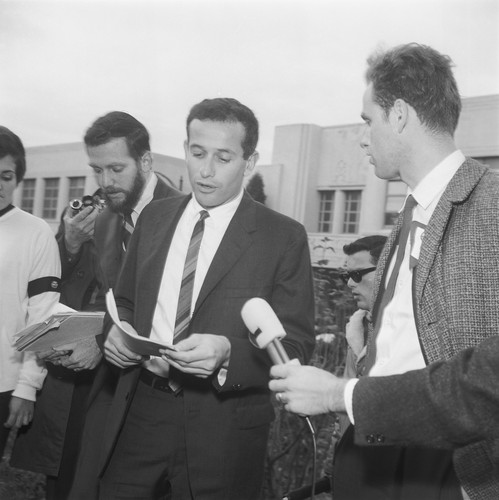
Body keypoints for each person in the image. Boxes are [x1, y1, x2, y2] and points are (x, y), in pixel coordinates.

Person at [270, 43, 499, 499]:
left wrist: (339, 395)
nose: (361, 137)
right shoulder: (410, 213)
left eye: (366, 120)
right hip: (370, 455)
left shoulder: (491, 203)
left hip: (445, 469)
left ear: (398, 115)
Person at [69, 97, 316, 500]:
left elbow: (296, 345)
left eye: (223, 157)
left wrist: (226, 353)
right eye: (198, 153)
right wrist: (116, 333)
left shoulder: (282, 237)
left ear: (249, 163)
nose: (205, 170)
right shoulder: (154, 217)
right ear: (185, 148)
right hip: (139, 413)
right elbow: (125, 302)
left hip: (224, 429)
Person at [10, 111, 181, 500]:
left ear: (147, 162)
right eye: (97, 170)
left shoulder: (184, 215)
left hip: (155, 392)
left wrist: (101, 339)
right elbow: (98, 297)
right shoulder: (105, 219)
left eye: (116, 169)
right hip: (98, 388)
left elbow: (169, 306)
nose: (105, 182)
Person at [0, 126, 61, 459]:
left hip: (2, 379)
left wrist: (27, 385)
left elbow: (43, 316)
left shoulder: (36, 232)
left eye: (6, 175)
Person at [340, 235, 387, 379]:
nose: (349, 283)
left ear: (386, 271)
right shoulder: (357, 327)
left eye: (357, 274)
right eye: (346, 276)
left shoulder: (410, 328)